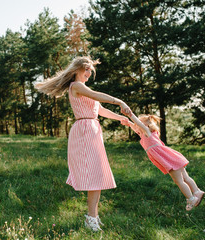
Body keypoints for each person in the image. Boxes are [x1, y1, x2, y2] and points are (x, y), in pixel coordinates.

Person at [35, 56, 132, 231]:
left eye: (90, 70)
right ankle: (90, 219)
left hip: (93, 129)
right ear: (76, 70)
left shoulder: (84, 87)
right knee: (95, 176)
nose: (88, 73)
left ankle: (93, 217)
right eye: (86, 69)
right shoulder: (77, 86)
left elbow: (100, 110)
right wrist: (119, 101)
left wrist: (121, 118)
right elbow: (97, 97)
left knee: (98, 175)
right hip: (85, 131)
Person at [121, 113, 205, 211]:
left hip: (169, 160)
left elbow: (139, 125)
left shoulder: (147, 132)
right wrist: (129, 123)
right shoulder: (148, 134)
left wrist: (130, 114)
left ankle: (191, 199)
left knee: (179, 181)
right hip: (173, 157)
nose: (136, 127)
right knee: (185, 177)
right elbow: (137, 128)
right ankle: (197, 191)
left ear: (145, 126)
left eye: (138, 124)